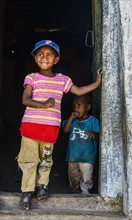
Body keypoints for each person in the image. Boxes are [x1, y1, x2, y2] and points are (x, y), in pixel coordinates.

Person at [16, 39, 103, 210]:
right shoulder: (31, 78)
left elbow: (78, 91)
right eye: (40, 54)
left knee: (46, 160)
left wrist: (97, 83)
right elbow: (25, 99)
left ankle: (42, 186)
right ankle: (26, 192)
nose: (44, 57)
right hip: (30, 127)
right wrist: (43, 104)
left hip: (50, 129)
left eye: (49, 54)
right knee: (29, 160)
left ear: (56, 59)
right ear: (35, 58)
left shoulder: (63, 80)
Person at [62, 95, 100, 194]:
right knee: (73, 176)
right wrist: (71, 118)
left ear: (87, 107)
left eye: (79, 105)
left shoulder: (93, 121)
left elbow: (99, 136)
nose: (76, 108)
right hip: (73, 156)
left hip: (87, 157)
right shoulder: (72, 121)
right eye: (74, 106)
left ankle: (85, 192)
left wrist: (94, 133)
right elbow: (65, 130)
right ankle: (74, 192)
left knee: (86, 176)